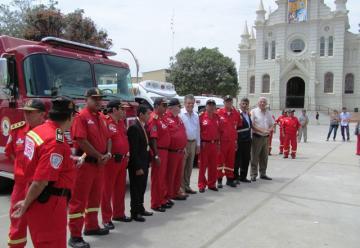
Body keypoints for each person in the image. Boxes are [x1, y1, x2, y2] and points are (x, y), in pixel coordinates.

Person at [12, 96, 77, 248]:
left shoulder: (39, 130)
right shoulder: (56, 141)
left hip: (39, 197)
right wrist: (25, 204)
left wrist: (69, 162)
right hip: (49, 204)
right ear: (70, 117)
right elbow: (41, 181)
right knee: (52, 243)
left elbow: (37, 162)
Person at [68, 88, 112, 248]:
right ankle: (75, 236)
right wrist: (98, 156)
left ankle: (91, 226)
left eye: (100, 99)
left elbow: (108, 137)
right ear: (87, 99)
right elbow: (81, 141)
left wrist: (107, 154)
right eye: (95, 99)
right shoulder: (81, 117)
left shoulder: (101, 117)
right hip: (85, 165)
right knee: (79, 201)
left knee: (94, 199)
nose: (98, 101)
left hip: (99, 165)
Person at [6, 99, 46, 248]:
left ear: (42, 114)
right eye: (25, 112)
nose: (26, 115)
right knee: (17, 222)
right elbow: (11, 153)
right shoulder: (17, 129)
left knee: (42, 224)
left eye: (31, 113)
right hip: (21, 185)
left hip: (42, 184)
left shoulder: (50, 131)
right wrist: (21, 168)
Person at [101, 100, 132, 230]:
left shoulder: (121, 123)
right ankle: (106, 219)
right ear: (114, 110)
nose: (124, 111)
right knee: (107, 191)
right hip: (111, 161)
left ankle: (119, 213)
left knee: (120, 189)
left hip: (122, 160)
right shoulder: (106, 122)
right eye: (122, 109)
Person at [127, 105, 152, 222]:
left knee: (142, 187)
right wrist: (137, 167)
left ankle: (141, 208)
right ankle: (135, 212)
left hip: (144, 162)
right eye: (148, 114)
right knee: (136, 188)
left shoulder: (144, 126)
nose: (149, 116)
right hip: (137, 164)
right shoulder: (134, 128)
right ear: (141, 114)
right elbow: (133, 150)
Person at [148, 98, 172, 212]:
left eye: (166, 105)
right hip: (159, 151)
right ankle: (155, 203)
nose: (166, 107)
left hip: (165, 151)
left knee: (162, 178)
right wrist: (156, 155)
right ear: (157, 106)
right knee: (157, 178)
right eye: (164, 105)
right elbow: (153, 139)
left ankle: (162, 200)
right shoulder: (154, 118)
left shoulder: (162, 118)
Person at [164, 98, 188, 201]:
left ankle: (175, 192)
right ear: (171, 107)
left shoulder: (179, 118)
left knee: (178, 174)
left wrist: (184, 146)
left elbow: (182, 133)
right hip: (172, 151)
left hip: (180, 151)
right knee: (170, 175)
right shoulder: (166, 118)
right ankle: (168, 195)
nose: (180, 108)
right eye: (178, 106)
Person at [217, 95, 241, 188]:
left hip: (232, 142)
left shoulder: (236, 113)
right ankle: (219, 180)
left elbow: (238, 125)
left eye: (230, 101)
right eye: (227, 101)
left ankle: (229, 179)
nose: (229, 103)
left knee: (230, 161)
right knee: (219, 162)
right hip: (221, 142)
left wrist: (235, 141)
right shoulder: (219, 113)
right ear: (224, 103)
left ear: (232, 102)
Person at [179, 94, 200, 195]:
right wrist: (181, 145)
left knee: (189, 167)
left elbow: (198, 131)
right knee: (182, 167)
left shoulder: (196, 115)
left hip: (193, 143)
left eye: (192, 103)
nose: (190, 105)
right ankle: (181, 188)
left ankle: (187, 186)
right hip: (184, 144)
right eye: (188, 103)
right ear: (184, 103)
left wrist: (198, 145)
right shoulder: (180, 114)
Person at [250, 97, 274, 181]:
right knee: (255, 156)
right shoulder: (254, 112)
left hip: (266, 138)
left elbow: (272, 124)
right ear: (258, 103)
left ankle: (263, 173)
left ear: (266, 104)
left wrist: (270, 130)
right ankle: (253, 174)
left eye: (264, 102)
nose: (262, 103)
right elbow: (252, 125)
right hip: (257, 137)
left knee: (264, 156)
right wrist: (262, 130)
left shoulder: (268, 113)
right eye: (261, 102)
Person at [198, 99, 220, 192]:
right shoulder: (201, 117)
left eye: (212, 105)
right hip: (205, 144)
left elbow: (219, 131)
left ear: (215, 107)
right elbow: (197, 131)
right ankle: (201, 185)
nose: (211, 107)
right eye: (209, 105)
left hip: (214, 144)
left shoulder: (217, 117)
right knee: (203, 166)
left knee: (213, 165)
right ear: (206, 106)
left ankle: (211, 184)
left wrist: (218, 143)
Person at [234, 97, 252, 183]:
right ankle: (235, 177)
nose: (244, 105)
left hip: (247, 140)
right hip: (239, 140)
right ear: (240, 104)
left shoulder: (247, 114)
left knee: (246, 159)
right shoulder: (237, 114)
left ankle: (243, 176)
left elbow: (249, 127)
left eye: (246, 104)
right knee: (237, 160)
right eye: (243, 104)